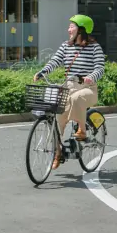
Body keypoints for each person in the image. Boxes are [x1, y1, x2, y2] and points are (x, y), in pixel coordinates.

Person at [33, 14, 105, 170]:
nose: (69, 29)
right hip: (68, 87)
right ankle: (58, 153)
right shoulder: (66, 46)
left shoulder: (94, 47)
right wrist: (43, 72)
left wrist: (90, 77)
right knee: (58, 119)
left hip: (87, 88)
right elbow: (55, 61)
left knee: (77, 99)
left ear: (81, 30)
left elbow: (100, 68)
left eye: (72, 26)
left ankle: (82, 131)